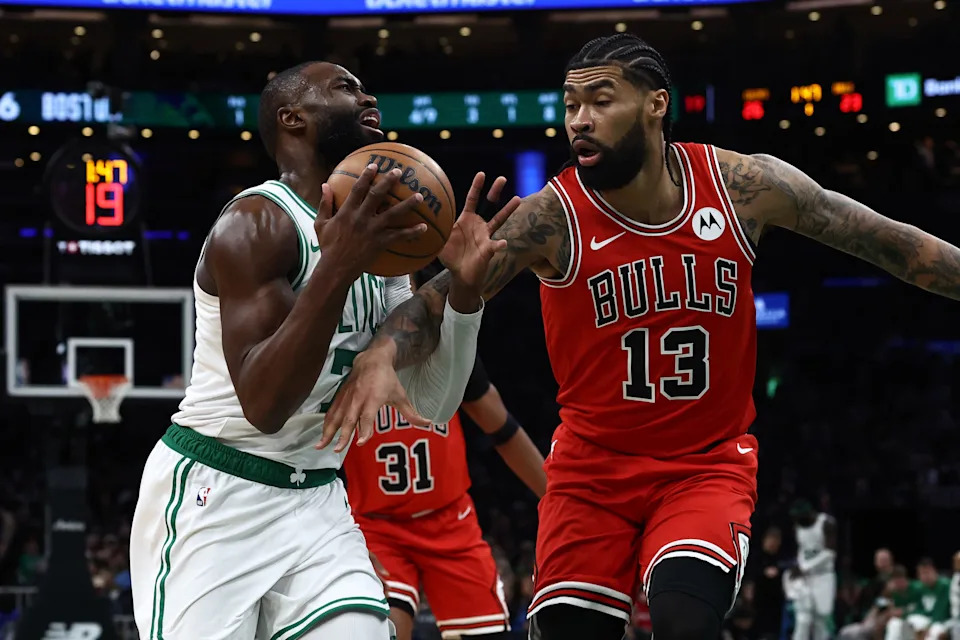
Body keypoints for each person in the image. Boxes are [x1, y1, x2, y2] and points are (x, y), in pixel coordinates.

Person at [318, 32, 960, 640]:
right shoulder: (552, 219)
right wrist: (381, 353)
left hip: (704, 465)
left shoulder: (743, 188)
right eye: (571, 105)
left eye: (600, 101)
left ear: (656, 105)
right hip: (591, 473)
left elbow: (893, 244)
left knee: (685, 621)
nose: (579, 121)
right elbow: (431, 304)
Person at [128, 60, 518, 640]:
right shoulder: (257, 222)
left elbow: (431, 404)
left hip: (315, 497)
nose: (368, 97)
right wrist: (338, 265)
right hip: (216, 491)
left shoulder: (387, 252)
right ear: (293, 119)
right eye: (345, 88)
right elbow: (265, 406)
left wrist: (463, 296)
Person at [342, 261, 547, 640]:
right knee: (380, 628)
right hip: (375, 527)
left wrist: (556, 498)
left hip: (450, 521)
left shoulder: (441, 342)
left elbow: (502, 429)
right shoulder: (344, 350)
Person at [791, 499, 837, 640]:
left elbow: (830, 553)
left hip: (824, 575)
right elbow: (802, 549)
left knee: (821, 617)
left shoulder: (826, 523)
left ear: (809, 513)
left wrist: (807, 566)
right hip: (806, 578)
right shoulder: (798, 526)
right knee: (803, 617)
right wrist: (800, 564)